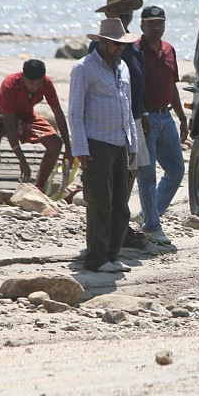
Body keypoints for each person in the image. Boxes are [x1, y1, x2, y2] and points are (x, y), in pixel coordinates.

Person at [68, 18, 139, 273]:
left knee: (121, 203)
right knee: (100, 202)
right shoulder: (84, 68)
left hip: (120, 142)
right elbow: (75, 113)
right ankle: (96, 258)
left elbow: (127, 109)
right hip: (97, 144)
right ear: (103, 42)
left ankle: (111, 254)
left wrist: (133, 145)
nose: (121, 48)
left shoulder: (124, 68)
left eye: (122, 43)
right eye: (116, 43)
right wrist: (81, 149)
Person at [92, 0, 150, 249]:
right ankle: (115, 229)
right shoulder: (101, 46)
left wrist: (144, 112)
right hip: (113, 123)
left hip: (134, 118)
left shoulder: (133, 44)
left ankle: (120, 225)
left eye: (128, 7)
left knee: (132, 172)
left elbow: (136, 82)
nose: (125, 11)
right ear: (107, 13)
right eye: (118, 8)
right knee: (118, 176)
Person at [135, 5, 189, 245]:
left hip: (166, 117)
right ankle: (152, 225)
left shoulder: (169, 50)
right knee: (147, 175)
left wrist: (182, 116)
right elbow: (133, 88)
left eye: (160, 23)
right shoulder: (135, 51)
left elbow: (172, 85)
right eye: (151, 23)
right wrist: (142, 114)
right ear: (142, 25)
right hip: (145, 118)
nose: (156, 27)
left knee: (176, 169)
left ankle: (149, 213)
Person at [0, 59, 72, 191]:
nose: (35, 87)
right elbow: (9, 125)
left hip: (26, 114)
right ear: (23, 77)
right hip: (1, 113)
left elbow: (58, 113)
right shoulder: (10, 85)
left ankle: (39, 187)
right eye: (31, 83)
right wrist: (22, 160)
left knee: (55, 143)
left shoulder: (46, 83)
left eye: (39, 83)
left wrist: (68, 147)